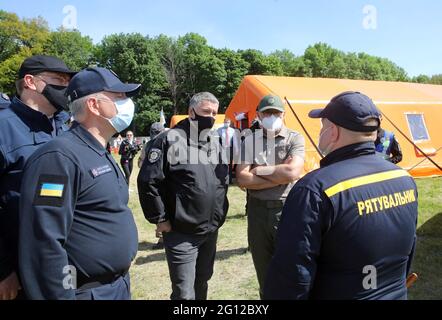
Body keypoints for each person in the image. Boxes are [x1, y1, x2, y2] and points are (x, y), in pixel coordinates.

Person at [264, 91, 418, 300]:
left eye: (323, 126)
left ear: (333, 131)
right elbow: (407, 251)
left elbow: (291, 276)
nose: (321, 132)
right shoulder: (404, 178)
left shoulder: (314, 189)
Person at [18, 67, 140, 300]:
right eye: (119, 97)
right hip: (86, 292)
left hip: (116, 287)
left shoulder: (98, 150)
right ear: (94, 105)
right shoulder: (59, 157)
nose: (127, 103)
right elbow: (45, 244)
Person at [137, 92, 229, 300]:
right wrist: (159, 218)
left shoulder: (214, 140)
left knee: (202, 281)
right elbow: (148, 181)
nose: (212, 117)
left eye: (215, 113)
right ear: (191, 112)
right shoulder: (168, 140)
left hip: (210, 229)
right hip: (181, 232)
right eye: (207, 112)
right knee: (184, 293)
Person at [0, 55, 75, 300]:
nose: (66, 87)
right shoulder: (4, 128)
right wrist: (3, 270)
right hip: (20, 271)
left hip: (64, 260)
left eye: (68, 81)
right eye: (58, 80)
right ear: (31, 82)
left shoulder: (65, 127)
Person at [236, 95, 305, 299]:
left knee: (290, 268)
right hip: (257, 212)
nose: (272, 116)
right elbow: (242, 178)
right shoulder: (249, 140)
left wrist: (258, 171)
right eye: (267, 112)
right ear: (258, 114)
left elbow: (292, 172)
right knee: (263, 269)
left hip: (286, 209)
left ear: (283, 114)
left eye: (276, 112)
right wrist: (278, 176)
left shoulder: (294, 138)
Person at [138, 122, 166, 250]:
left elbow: (141, 163)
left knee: (159, 208)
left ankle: (162, 237)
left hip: (154, 181)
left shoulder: (148, 145)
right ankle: (162, 237)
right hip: (163, 180)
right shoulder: (168, 141)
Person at [217, 117, 239, 184]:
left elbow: (234, 141)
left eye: (228, 122)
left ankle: (229, 180)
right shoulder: (219, 130)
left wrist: (236, 149)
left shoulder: (232, 130)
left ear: (230, 123)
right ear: (223, 122)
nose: (227, 124)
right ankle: (222, 179)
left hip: (230, 149)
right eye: (226, 122)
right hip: (222, 149)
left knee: (230, 165)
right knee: (223, 164)